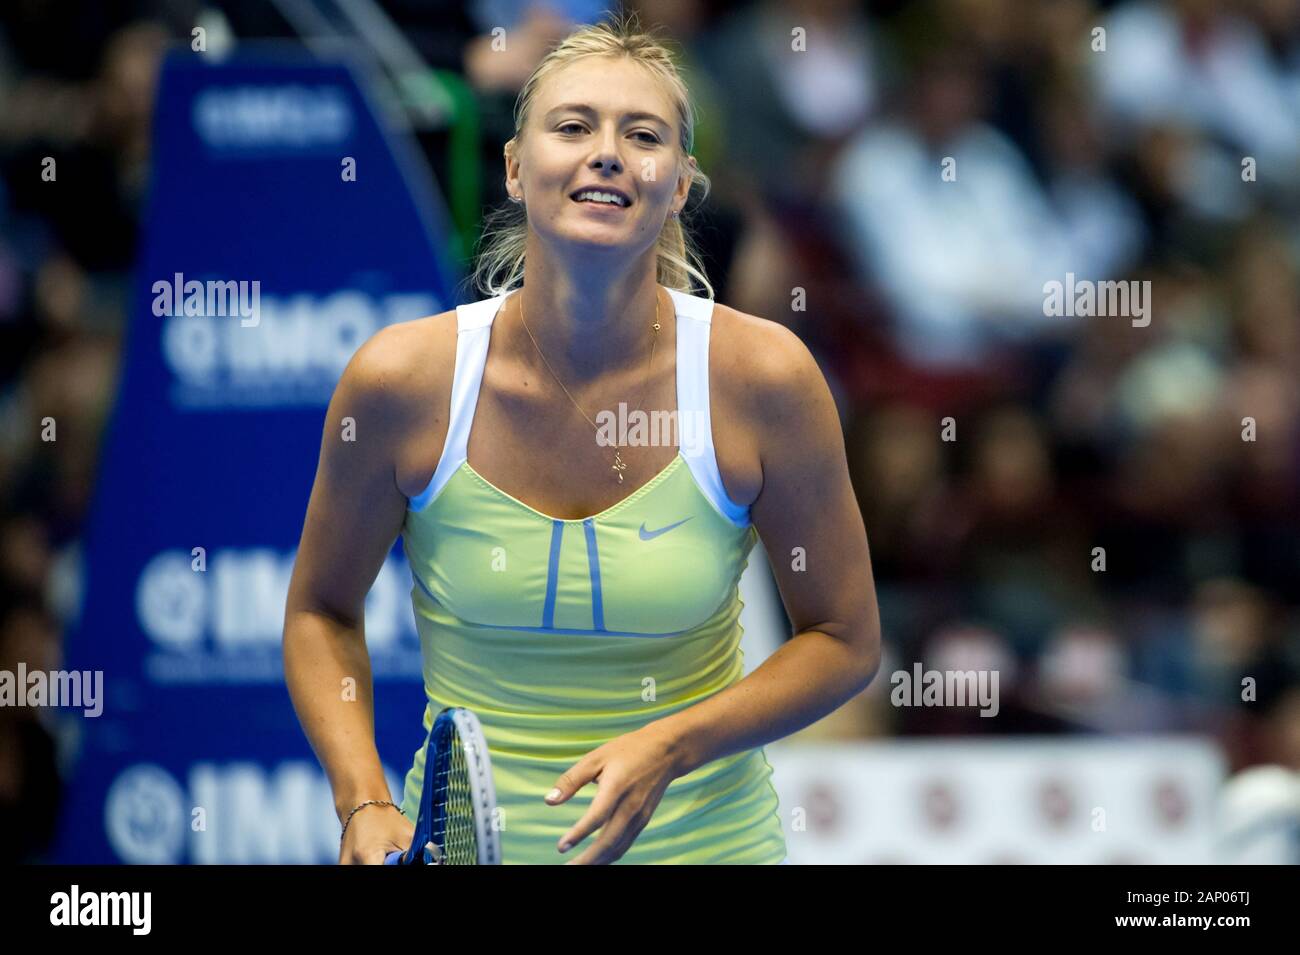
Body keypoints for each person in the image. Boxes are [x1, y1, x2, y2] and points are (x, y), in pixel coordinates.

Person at [283, 13, 881, 865]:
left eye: (643, 135)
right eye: (572, 127)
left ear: (679, 185)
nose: (606, 152)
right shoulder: (400, 382)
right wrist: (362, 799)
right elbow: (318, 610)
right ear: (516, 168)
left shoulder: (765, 379)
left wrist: (674, 743)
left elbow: (845, 639)